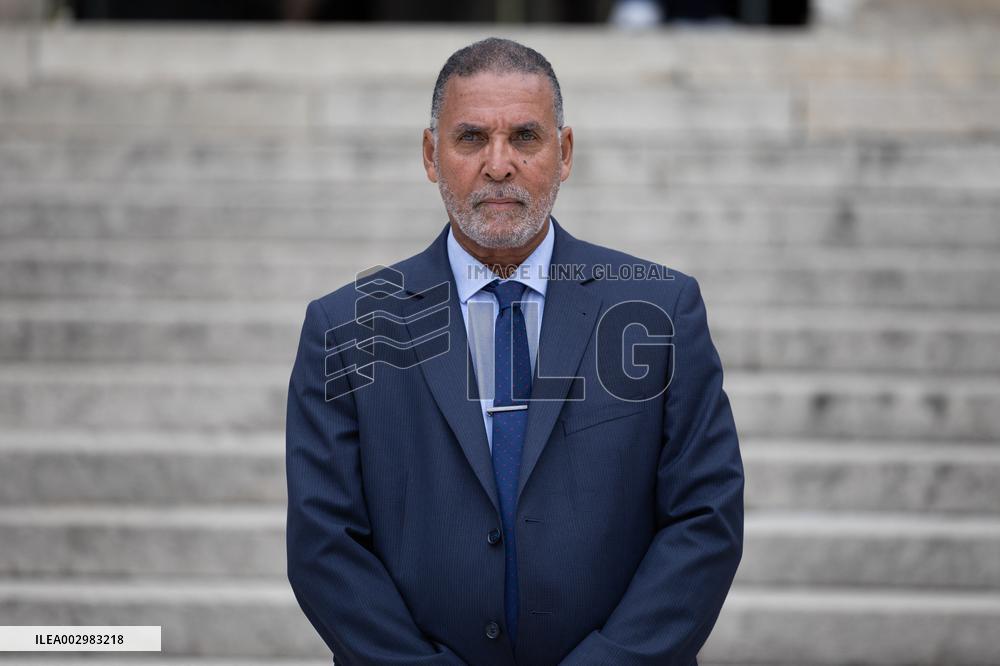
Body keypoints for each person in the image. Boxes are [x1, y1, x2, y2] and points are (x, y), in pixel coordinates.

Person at [285, 37, 743, 665]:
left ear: (565, 153)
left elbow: (706, 519)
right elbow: (324, 544)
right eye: (471, 138)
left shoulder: (662, 310)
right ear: (430, 155)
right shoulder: (345, 326)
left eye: (525, 137)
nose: (498, 164)